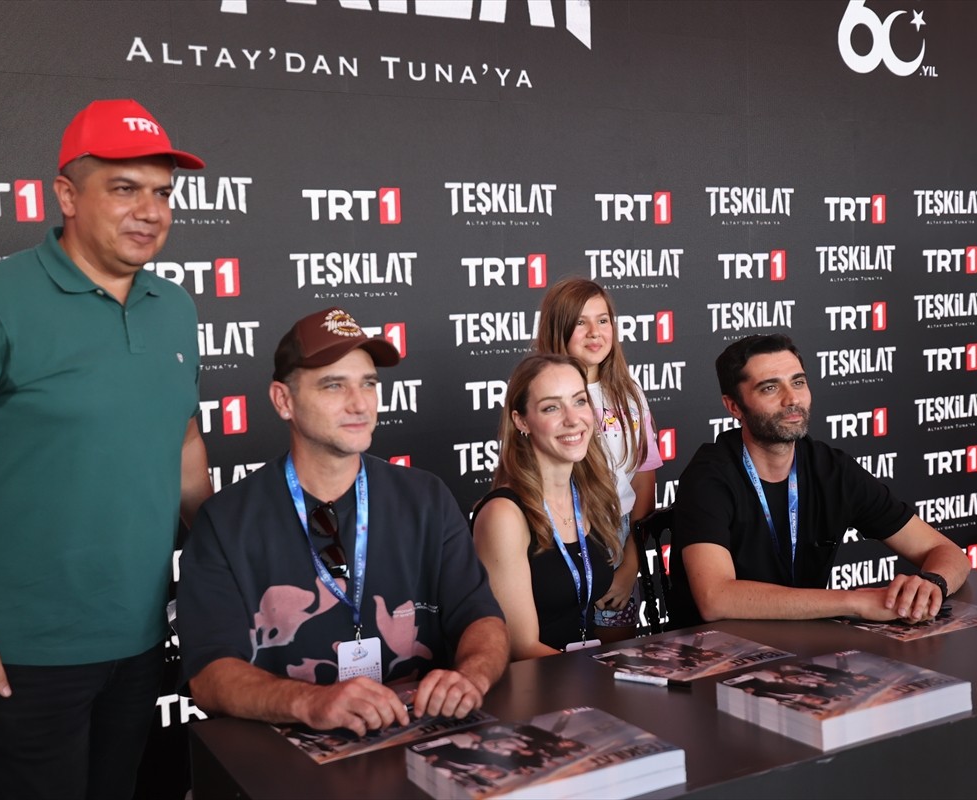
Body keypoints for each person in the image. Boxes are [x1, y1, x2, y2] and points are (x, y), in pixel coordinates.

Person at [0, 98, 213, 800]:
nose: (149, 211)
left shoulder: (177, 306)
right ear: (66, 194)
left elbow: (185, 447)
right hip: (22, 657)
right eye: (123, 188)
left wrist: (239, 556)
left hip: (140, 641)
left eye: (162, 192)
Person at [177, 306, 509, 736]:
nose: (359, 404)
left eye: (368, 384)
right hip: (289, 764)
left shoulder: (426, 497)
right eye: (334, 386)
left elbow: (482, 618)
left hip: (421, 746)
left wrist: (471, 676)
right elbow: (209, 673)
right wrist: (311, 702)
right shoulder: (226, 521)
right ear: (283, 400)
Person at [668, 333, 970, 628]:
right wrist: (855, 602)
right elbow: (715, 599)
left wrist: (933, 584)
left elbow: (948, 552)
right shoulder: (709, 475)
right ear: (734, 406)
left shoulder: (830, 468)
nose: (792, 399)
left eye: (798, 382)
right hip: (718, 654)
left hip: (805, 645)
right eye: (770, 388)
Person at [536, 277, 663, 641]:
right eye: (580, 322)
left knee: (616, 656)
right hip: (560, 536)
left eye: (603, 320)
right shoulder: (539, 392)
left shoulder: (629, 392)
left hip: (619, 538)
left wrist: (630, 565)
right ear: (558, 327)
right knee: (560, 654)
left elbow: (642, 479)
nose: (595, 332)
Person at [471, 353, 622, 659]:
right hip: (535, 690)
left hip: (581, 676)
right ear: (521, 421)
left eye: (579, 401)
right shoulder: (504, 514)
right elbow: (519, 646)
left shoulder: (587, 494)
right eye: (552, 407)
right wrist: (606, 681)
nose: (572, 418)